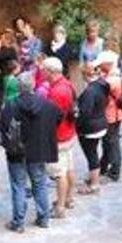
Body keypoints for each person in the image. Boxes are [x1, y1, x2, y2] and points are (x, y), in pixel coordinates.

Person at [0, 72, 61, 232]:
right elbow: (59, 117)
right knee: (40, 183)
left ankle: (18, 222)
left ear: (19, 87)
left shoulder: (10, 106)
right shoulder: (46, 104)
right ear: (33, 85)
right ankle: (43, 218)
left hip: (16, 151)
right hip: (39, 150)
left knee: (18, 185)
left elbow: (2, 127)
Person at [44, 57, 78, 218]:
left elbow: (51, 118)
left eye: (44, 71)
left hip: (59, 137)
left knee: (59, 173)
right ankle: (70, 199)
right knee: (69, 167)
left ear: (50, 72)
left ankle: (60, 207)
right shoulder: (68, 84)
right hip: (70, 133)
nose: (43, 73)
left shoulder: (55, 92)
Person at [76, 64, 109, 195]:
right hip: (100, 122)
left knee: (91, 155)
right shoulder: (102, 85)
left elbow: (85, 112)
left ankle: (94, 184)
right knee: (93, 153)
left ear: (85, 75)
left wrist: (77, 124)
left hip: (91, 128)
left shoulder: (90, 91)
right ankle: (93, 177)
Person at [94, 50, 122, 182]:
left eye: (102, 64)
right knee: (108, 142)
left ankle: (115, 171)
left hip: (111, 115)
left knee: (112, 143)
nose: (99, 67)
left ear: (109, 64)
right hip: (114, 114)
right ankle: (104, 167)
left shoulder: (112, 80)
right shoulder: (113, 76)